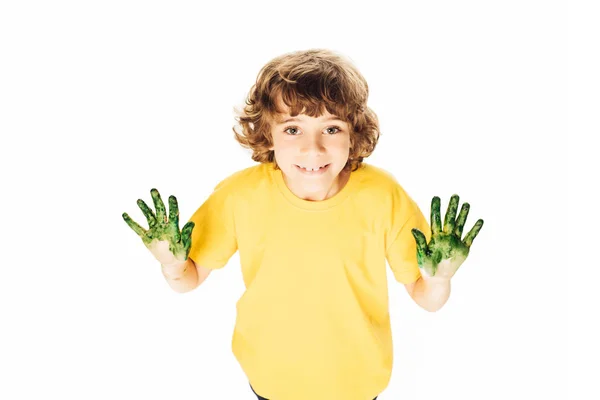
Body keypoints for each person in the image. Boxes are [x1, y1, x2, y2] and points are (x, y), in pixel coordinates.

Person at [122, 48, 484, 400]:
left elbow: (427, 299)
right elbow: (188, 279)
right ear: (267, 133)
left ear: (354, 133)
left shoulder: (382, 195)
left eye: (331, 129)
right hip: (271, 379)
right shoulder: (240, 195)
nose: (313, 149)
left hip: (356, 383)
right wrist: (171, 264)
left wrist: (439, 279)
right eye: (293, 129)